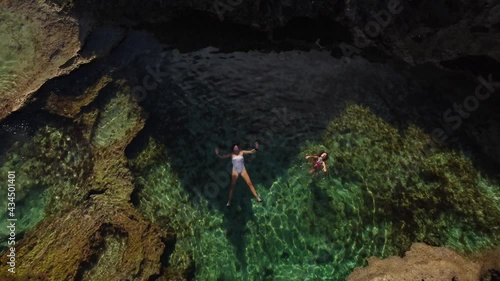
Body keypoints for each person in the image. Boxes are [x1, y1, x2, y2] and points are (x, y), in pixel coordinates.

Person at [215, 142, 262, 207]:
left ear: (238, 148)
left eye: (237, 148)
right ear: (233, 150)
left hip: (243, 170)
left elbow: (251, 152)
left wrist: (256, 148)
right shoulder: (232, 154)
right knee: (233, 186)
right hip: (235, 171)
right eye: (235, 148)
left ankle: (257, 197)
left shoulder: (242, 152)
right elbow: (223, 156)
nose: (236, 149)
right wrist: (218, 154)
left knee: (250, 183)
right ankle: (229, 201)